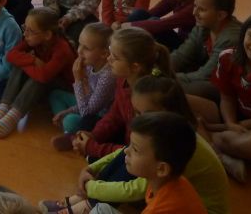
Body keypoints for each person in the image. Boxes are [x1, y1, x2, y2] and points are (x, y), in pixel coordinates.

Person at [44, 75, 228, 214]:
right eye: (136, 112)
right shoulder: (167, 136)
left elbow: (134, 190)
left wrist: (91, 187)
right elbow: (124, 151)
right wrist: (91, 169)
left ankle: (87, 203)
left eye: (143, 114)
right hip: (166, 194)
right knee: (129, 156)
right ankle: (86, 202)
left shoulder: (175, 147)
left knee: (134, 161)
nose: (136, 119)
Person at [190, 11, 251, 183]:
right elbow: (226, 97)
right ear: (244, 34)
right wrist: (230, 123)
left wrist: (213, 127)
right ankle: (218, 150)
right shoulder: (228, 56)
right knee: (181, 101)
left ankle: (206, 139)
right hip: (235, 118)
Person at [73, 27, 173, 160]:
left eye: (115, 57)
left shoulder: (146, 98)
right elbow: (114, 116)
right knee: (89, 132)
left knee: (95, 158)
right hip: (129, 143)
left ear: (135, 67)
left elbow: (137, 149)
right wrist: (94, 136)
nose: (108, 59)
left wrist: (93, 147)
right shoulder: (122, 80)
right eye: (110, 53)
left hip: (141, 153)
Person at [0, 7, 75, 138]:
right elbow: (11, 55)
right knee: (22, 65)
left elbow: (44, 76)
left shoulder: (62, 49)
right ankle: (3, 108)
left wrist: (27, 64)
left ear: (47, 35)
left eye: (30, 31)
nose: (25, 34)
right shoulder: (34, 39)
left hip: (62, 89)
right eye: (24, 28)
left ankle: (14, 115)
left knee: (39, 77)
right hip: (44, 80)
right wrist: (33, 59)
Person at [50, 22, 115, 150]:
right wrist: (68, 110)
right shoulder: (90, 65)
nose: (79, 51)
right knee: (55, 95)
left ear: (104, 54)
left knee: (70, 121)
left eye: (87, 48)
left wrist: (78, 80)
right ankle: (72, 133)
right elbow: (87, 99)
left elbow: (87, 112)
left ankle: (72, 136)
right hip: (88, 106)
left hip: (98, 117)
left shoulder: (108, 76)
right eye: (80, 44)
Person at [171, 0, 241, 101]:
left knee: (175, 87)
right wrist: (157, 69)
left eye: (202, 10)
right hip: (208, 77)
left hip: (229, 88)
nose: (194, 13)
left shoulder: (231, 38)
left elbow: (206, 75)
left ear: (220, 15)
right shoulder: (202, 27)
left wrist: (166, 77)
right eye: (195, 6)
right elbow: (181, 56)